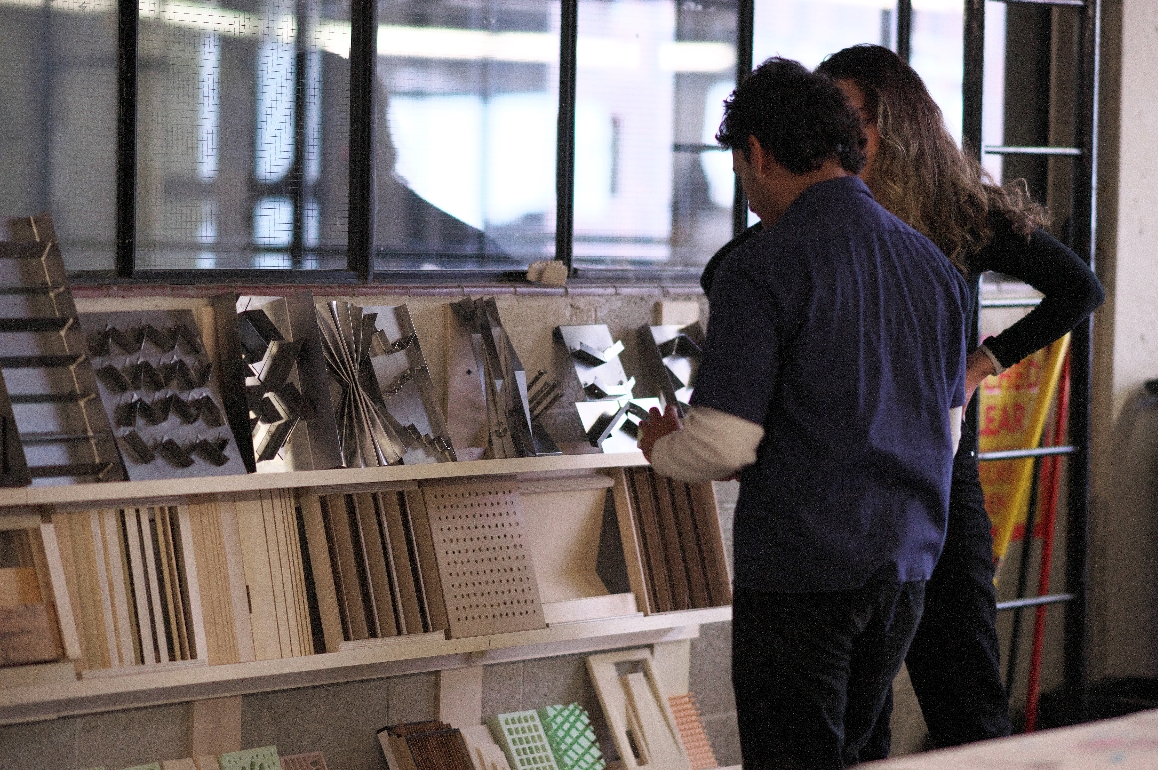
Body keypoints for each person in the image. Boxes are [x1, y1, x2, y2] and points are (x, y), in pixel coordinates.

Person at [702, 44, 1106, 756]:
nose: (838, 131)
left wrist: (982, 364)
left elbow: (1079, 287)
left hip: (937, 478)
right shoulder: (809, 221)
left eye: (853, 116)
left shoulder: (956, 212)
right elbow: (727, 271)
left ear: (898, 122)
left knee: (964, 693)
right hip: (839, 499)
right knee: (860, 719)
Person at [638, 57, 970, 770]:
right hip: (907, 564)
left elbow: (723, 443)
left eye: (740, 167)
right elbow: (947, 429)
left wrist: (664, 446)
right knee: (863, 752)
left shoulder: (763, 264)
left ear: (756, 152)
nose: (747, 190)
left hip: (803, 570)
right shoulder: (930, 263)